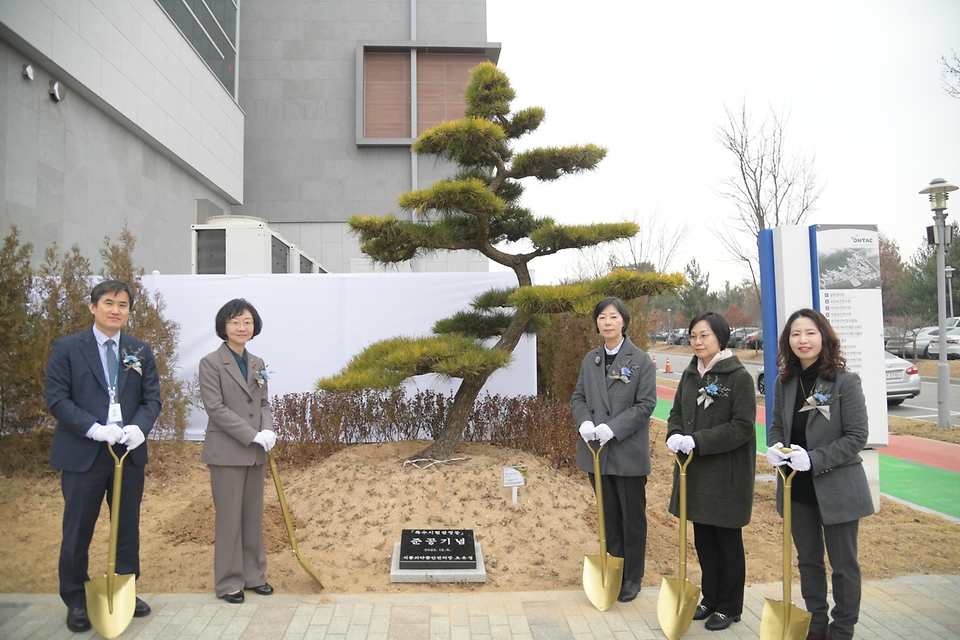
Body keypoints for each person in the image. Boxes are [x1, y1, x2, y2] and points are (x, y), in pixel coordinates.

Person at [46, 280, 162, 633]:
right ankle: (76, 597)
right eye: (109, 302)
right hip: (84, 452)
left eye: (123, 304)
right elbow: (58, 399)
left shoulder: (139, 350)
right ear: (93, 307)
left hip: (127, 454)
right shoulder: (68, 348)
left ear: (129, 311)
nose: (116, 309)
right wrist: (94, 428)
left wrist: (140, 428)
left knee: (126, 527)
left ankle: (125, 587)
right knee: (78, 528)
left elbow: (151, 399)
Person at [767, 308, 874, 640]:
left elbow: (857, 437)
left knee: (843, 566)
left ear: (824, 337)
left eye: (810, 333)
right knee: (808, 561)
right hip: (796, 488)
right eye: (796, 334)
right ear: (788, 342)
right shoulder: (784, 383)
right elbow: (777, 428)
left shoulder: (844, 382)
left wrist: (813, 459)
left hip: (837, 488)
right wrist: (775, 449)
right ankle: (815, 622)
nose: (803, 340)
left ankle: (842, 628)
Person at [665, 311, 756, 632]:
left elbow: (742, 426)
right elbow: (675, 411)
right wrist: (674, 434)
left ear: (721, 337)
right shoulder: (690, 374)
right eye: (693, 336)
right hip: (697, 472)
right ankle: (711, 598)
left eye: (704, 335)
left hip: (727, 475)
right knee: (704, 540)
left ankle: (731, 606)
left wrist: (697, 441)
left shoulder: (738, 377)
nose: (697, 341)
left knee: (728, 542)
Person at [572, 297, 657, 603]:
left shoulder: (640, 360)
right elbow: (578, 397)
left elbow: (646, 404)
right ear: (597, 323)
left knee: (631, 517)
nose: (607, 322)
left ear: (624, 322)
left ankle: (633, 576)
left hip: (626, 451)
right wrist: (584, 421)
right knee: (608, 515)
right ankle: (614, 569)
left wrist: (614, 428)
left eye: (613, 317)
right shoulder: (591, 359)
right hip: (596, 451)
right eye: (602, 318)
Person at [199, 299, 277, 604]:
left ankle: (254, 575)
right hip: (226, 451)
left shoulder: (257, 361)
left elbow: (262, 403)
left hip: (256, 452)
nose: (241, 327)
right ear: (223, 327)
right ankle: (229, 581)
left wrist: (267, 429)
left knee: (252, 516)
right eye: (234, 322)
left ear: (254, 325)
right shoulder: (211, 362)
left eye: (246, 322)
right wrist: (252, 434)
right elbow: (215, 408)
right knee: (229, 517)